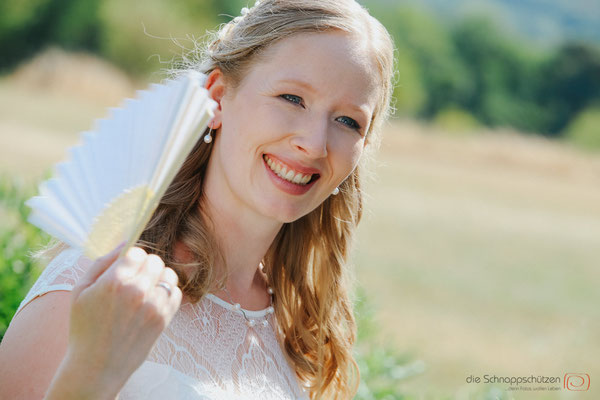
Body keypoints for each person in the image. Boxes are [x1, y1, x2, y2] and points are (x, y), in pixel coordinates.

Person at [0, 0, 395, 398]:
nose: (314, 145)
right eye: (292, 98)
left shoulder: (298, 329)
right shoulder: (98, 284)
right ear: (219, 96)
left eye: (348, 121)